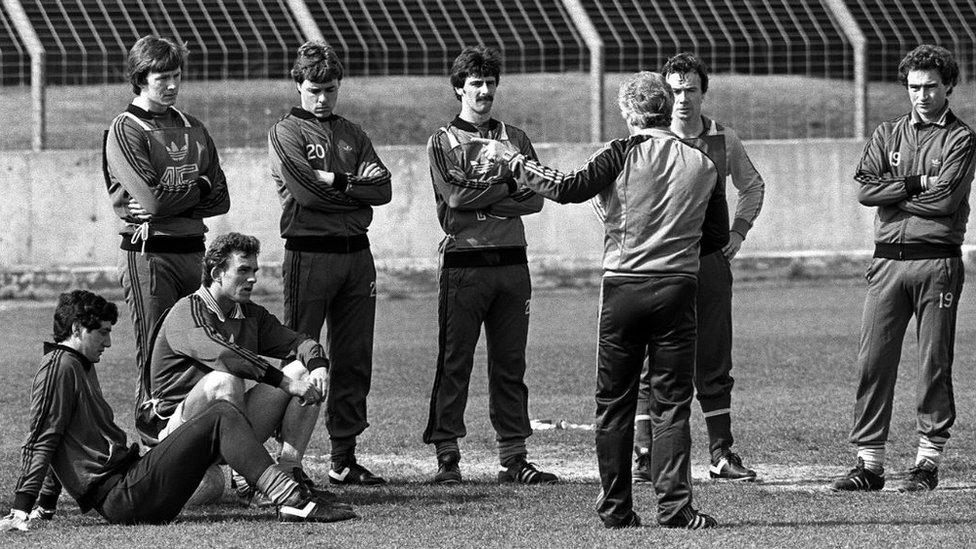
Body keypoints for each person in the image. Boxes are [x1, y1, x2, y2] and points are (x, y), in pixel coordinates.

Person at [480, 71, 725, 529]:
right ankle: (675, 508)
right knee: (672, 402)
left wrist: (514, 161)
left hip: (625, 289)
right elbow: (713, 237)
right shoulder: (703, 164)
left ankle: (616, 508)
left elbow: (568, 187)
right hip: (678, 289)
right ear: (668, 108)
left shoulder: (619, 153)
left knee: (614, 402)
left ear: (628, 112)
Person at [0, 290, 354, 532]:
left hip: (132, 481)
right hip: (122, 496)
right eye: (102, 333)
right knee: (222, 415)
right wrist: (22, 505)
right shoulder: (58, 366)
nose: (108, 342)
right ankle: (290, 497)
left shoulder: (77, 365)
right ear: (77, 330)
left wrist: (45, 503)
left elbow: (59, 435)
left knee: (220, 424)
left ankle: (280, 488)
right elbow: (43, 437)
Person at [831, 44, 974, 493]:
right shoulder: (887, 133)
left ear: (949, 86)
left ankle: (926, 463)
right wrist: (913, 185)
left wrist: (891, 194)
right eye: (914, 86)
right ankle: (869, 464)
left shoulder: (961, 138)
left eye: (931, 86)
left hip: (937, 264)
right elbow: (864, 192)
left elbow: (947, 201)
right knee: (873, 361)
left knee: (934, 362)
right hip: (886, 264)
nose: (922, 95)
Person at [421, 46, 556, 486]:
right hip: (464, 264)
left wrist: (485, 192)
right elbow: (455, 198)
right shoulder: (443, 140)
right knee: (454, 361)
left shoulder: (514, 137)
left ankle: (513, 456)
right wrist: (505, 188)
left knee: (510, 364)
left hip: (513, 266)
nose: (484, 90)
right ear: (459, 88)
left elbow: (536, 197)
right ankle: (447, 455)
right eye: (475, 83)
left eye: (490, 83)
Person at [633, 52, 765, 483]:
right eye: (674, 90)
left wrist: (739, 233)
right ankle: (643, 454)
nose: (682, 98)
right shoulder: (648, 140)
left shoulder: (725, 140)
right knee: (652, 360)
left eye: (690, 89)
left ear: (704, 92)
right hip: (663, 263)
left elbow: (753, 186)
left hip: (708, 264)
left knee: (713, 357)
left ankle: (721, 454)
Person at [135, 233, 342, 504]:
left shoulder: (248, 313)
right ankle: (247, 478)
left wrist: (317, 366)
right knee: (224, 382)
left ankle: (289, 470)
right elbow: (224, 354)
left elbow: (297, 342)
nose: (253, 278)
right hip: (174, 435)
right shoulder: (185, 311)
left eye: (254, 270)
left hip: (224, 429)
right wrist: (284, 383)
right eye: (243, 270)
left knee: (302, 371)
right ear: (217, 272)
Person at [268, 40, 392, 486]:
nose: (322, 99)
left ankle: (343, 458)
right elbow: (305, 193)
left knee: (354, 356)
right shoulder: (287, 132)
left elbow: (383, 191)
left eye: (331, 90)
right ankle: (287, 462)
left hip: (357, 258)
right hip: (309, 254)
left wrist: (337, 181)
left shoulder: (353, 133)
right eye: (314, 89)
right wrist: (354, 197)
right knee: (301, 356)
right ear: (298, 85)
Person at [103, 36, 230, 394]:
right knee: (157, 352)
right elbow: (152, 202)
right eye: (162, 78)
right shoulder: (126, 129)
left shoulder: (193, 126)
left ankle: (194, 437)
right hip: (150, 255)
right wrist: (200, 187)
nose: (173, 85)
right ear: (141, 78)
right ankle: (152, 440)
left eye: (176, 75)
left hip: (194, 251)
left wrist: (179, 196)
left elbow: (221, 197)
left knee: (202, 349)